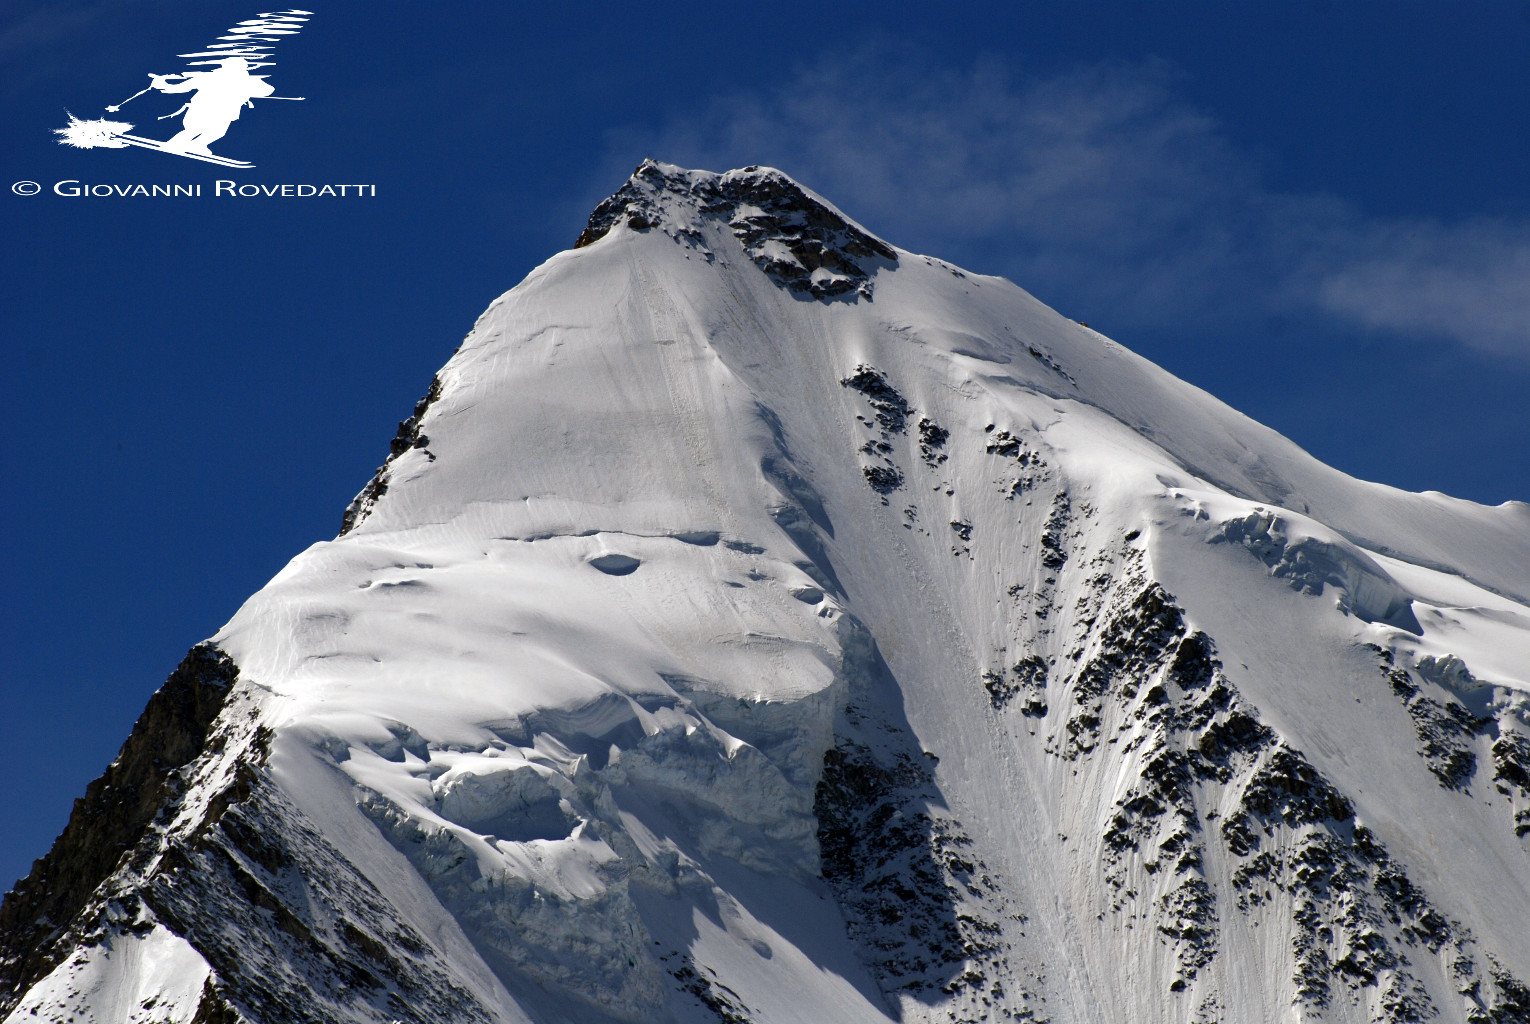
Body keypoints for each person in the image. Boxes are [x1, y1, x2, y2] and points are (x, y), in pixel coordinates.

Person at [152, 57, 275, 156]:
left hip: (225, 113)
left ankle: (197, 145)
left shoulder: (249, 81)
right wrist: (162, 85)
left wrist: (249, 88)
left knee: (217, 132)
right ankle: (173, 145)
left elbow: (268, 90)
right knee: (194, 129)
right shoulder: (209, 77)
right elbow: (179, 88)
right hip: (201, 109)